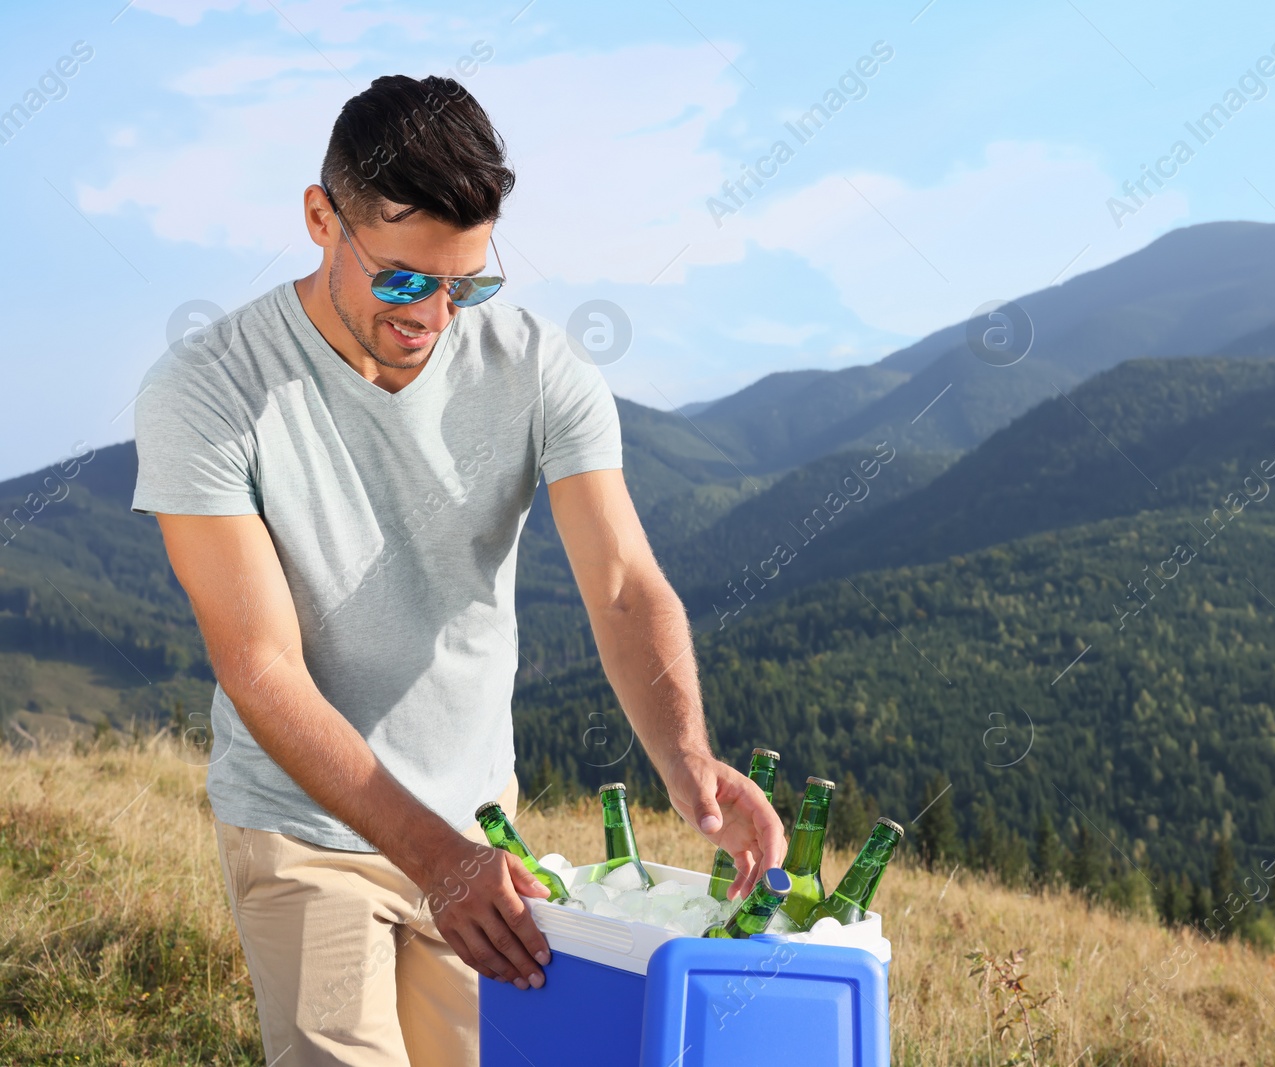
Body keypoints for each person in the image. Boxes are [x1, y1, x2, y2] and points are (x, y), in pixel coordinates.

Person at [131, 73, 785, 1067]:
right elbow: (258, 663)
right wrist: (433, 858)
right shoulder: (208, 390)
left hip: (485, 834)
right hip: (306, 825)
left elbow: (619, 584)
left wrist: (689, 762)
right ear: (320, 218)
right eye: (402, 278)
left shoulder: (538, 367)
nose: (433, 313)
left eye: (465, 283)